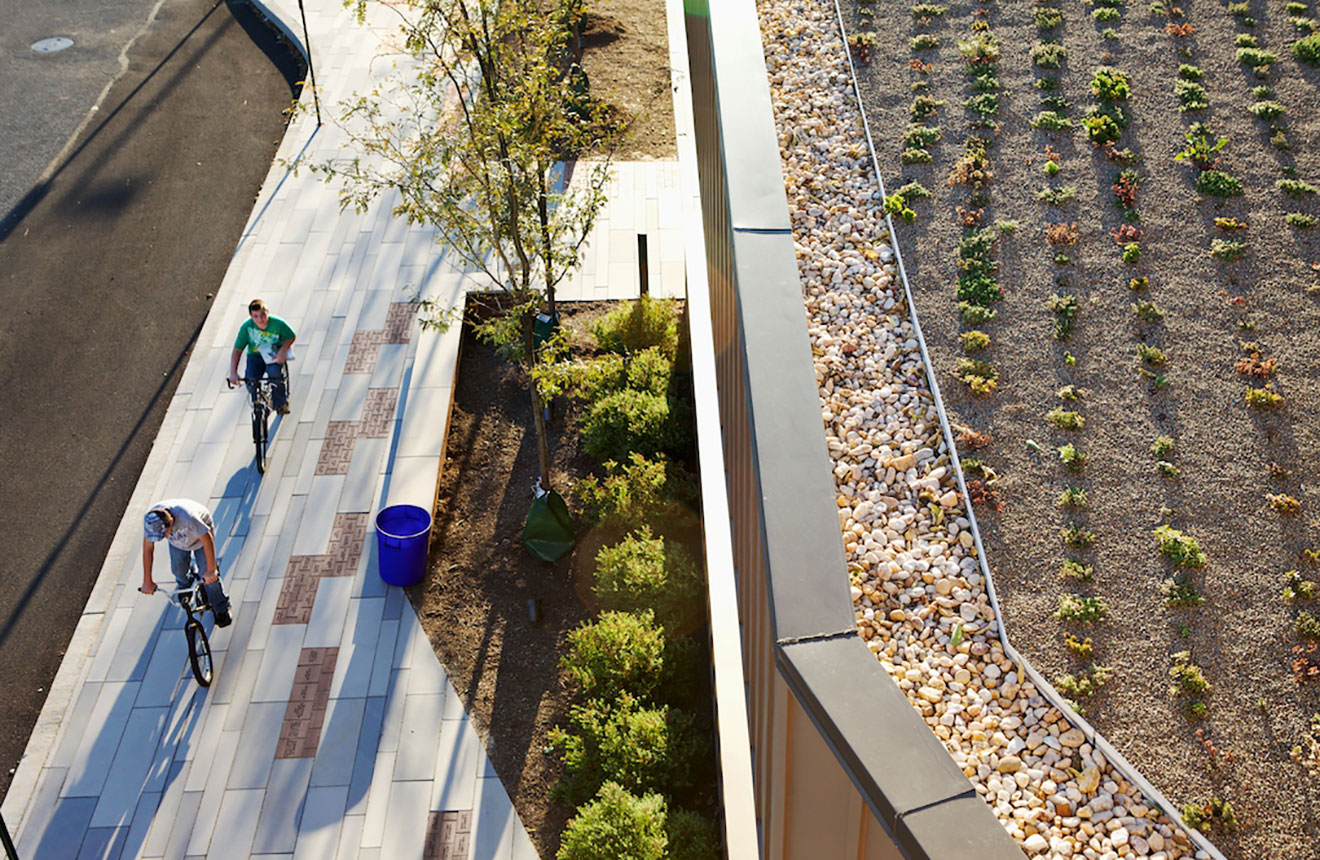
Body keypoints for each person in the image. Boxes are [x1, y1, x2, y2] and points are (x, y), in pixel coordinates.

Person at [141, 499, 232, 627]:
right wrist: (147, 580)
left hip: (200, 540)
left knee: (209, 578)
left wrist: (211, 569)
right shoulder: (150, 521)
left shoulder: (188, 518)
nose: (164, 537)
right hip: (178, 543)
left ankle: (221, 606)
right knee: (177, 569)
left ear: (171, 522)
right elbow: (148, 549)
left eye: (164, 534)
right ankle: (185, 585)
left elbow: (207, 539)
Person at [227, 298, 296, 414]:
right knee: (251, 380)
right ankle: (257, 402)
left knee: (275, 375)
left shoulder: (278, 323)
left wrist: (282, 351)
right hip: (255, 356)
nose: (260, 319)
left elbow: (291, 336)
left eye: (263, 315)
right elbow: (237, 350)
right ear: (251, 316)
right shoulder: (247, 327)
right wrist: (233, 372)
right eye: (256, 316)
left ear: (267, 312)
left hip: (273, 355)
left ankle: (281, 403)